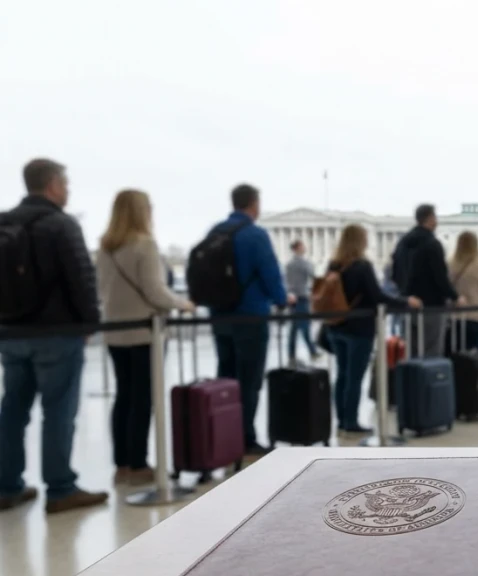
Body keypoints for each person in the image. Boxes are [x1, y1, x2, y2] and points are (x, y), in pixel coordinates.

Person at [0, 159, 108, 513]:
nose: (67, 190)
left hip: (11, 333)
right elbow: (81, 277)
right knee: (58, 410)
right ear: (52, 185)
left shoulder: (4, 222)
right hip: (56, 333)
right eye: (65, 183)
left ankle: (7, 485)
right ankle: (60, 488)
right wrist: (89, 322)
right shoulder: (61, 224)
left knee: (13, 409)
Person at [96, 189, 196, 487]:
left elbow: (103, 289)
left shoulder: (105, 248)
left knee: (123, 397)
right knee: (143, 399)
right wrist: (184, 304)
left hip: (115, 331)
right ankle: (139, 463)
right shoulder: (144, 244)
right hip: (144, 332)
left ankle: (122, 464)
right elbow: (155, 291)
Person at [208, 184, 293, 456]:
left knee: (227, 378)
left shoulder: (215, 232)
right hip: (250, 315)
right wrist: (282, 299)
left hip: (219, 315)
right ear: (254, 204)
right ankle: (245, 436)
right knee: (249, 380)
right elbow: (270, 274)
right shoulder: (255, 235)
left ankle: (223, 434)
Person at [326, 224, 421, 432]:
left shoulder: (334, 265)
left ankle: (342, 419)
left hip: (336, 327)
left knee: (342, 375)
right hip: (359, 329)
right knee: (355, 377)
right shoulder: (362, 266)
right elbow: (377, 297)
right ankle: (350, 421)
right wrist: (405, 302)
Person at [391, 204, 460, 358]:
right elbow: (440, 277)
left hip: (407, 304)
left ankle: (412, 382)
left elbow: (394, 274)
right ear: (430, 219)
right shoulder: (433, 244)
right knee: (431, 351)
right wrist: (455, 297)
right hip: (431, 306)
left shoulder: (402, 244)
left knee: (410, 352)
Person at [285, 240, 320, 365]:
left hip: (292, 298)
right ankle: (313, 351)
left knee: (294, 329)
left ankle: (291, 354)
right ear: (298, 248)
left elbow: (287, 281)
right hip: (302, 297)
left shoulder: (289, 264)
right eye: (303, 246)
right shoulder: (304, 263)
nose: (305, 247)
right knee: (304, 327)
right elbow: (313, 277)